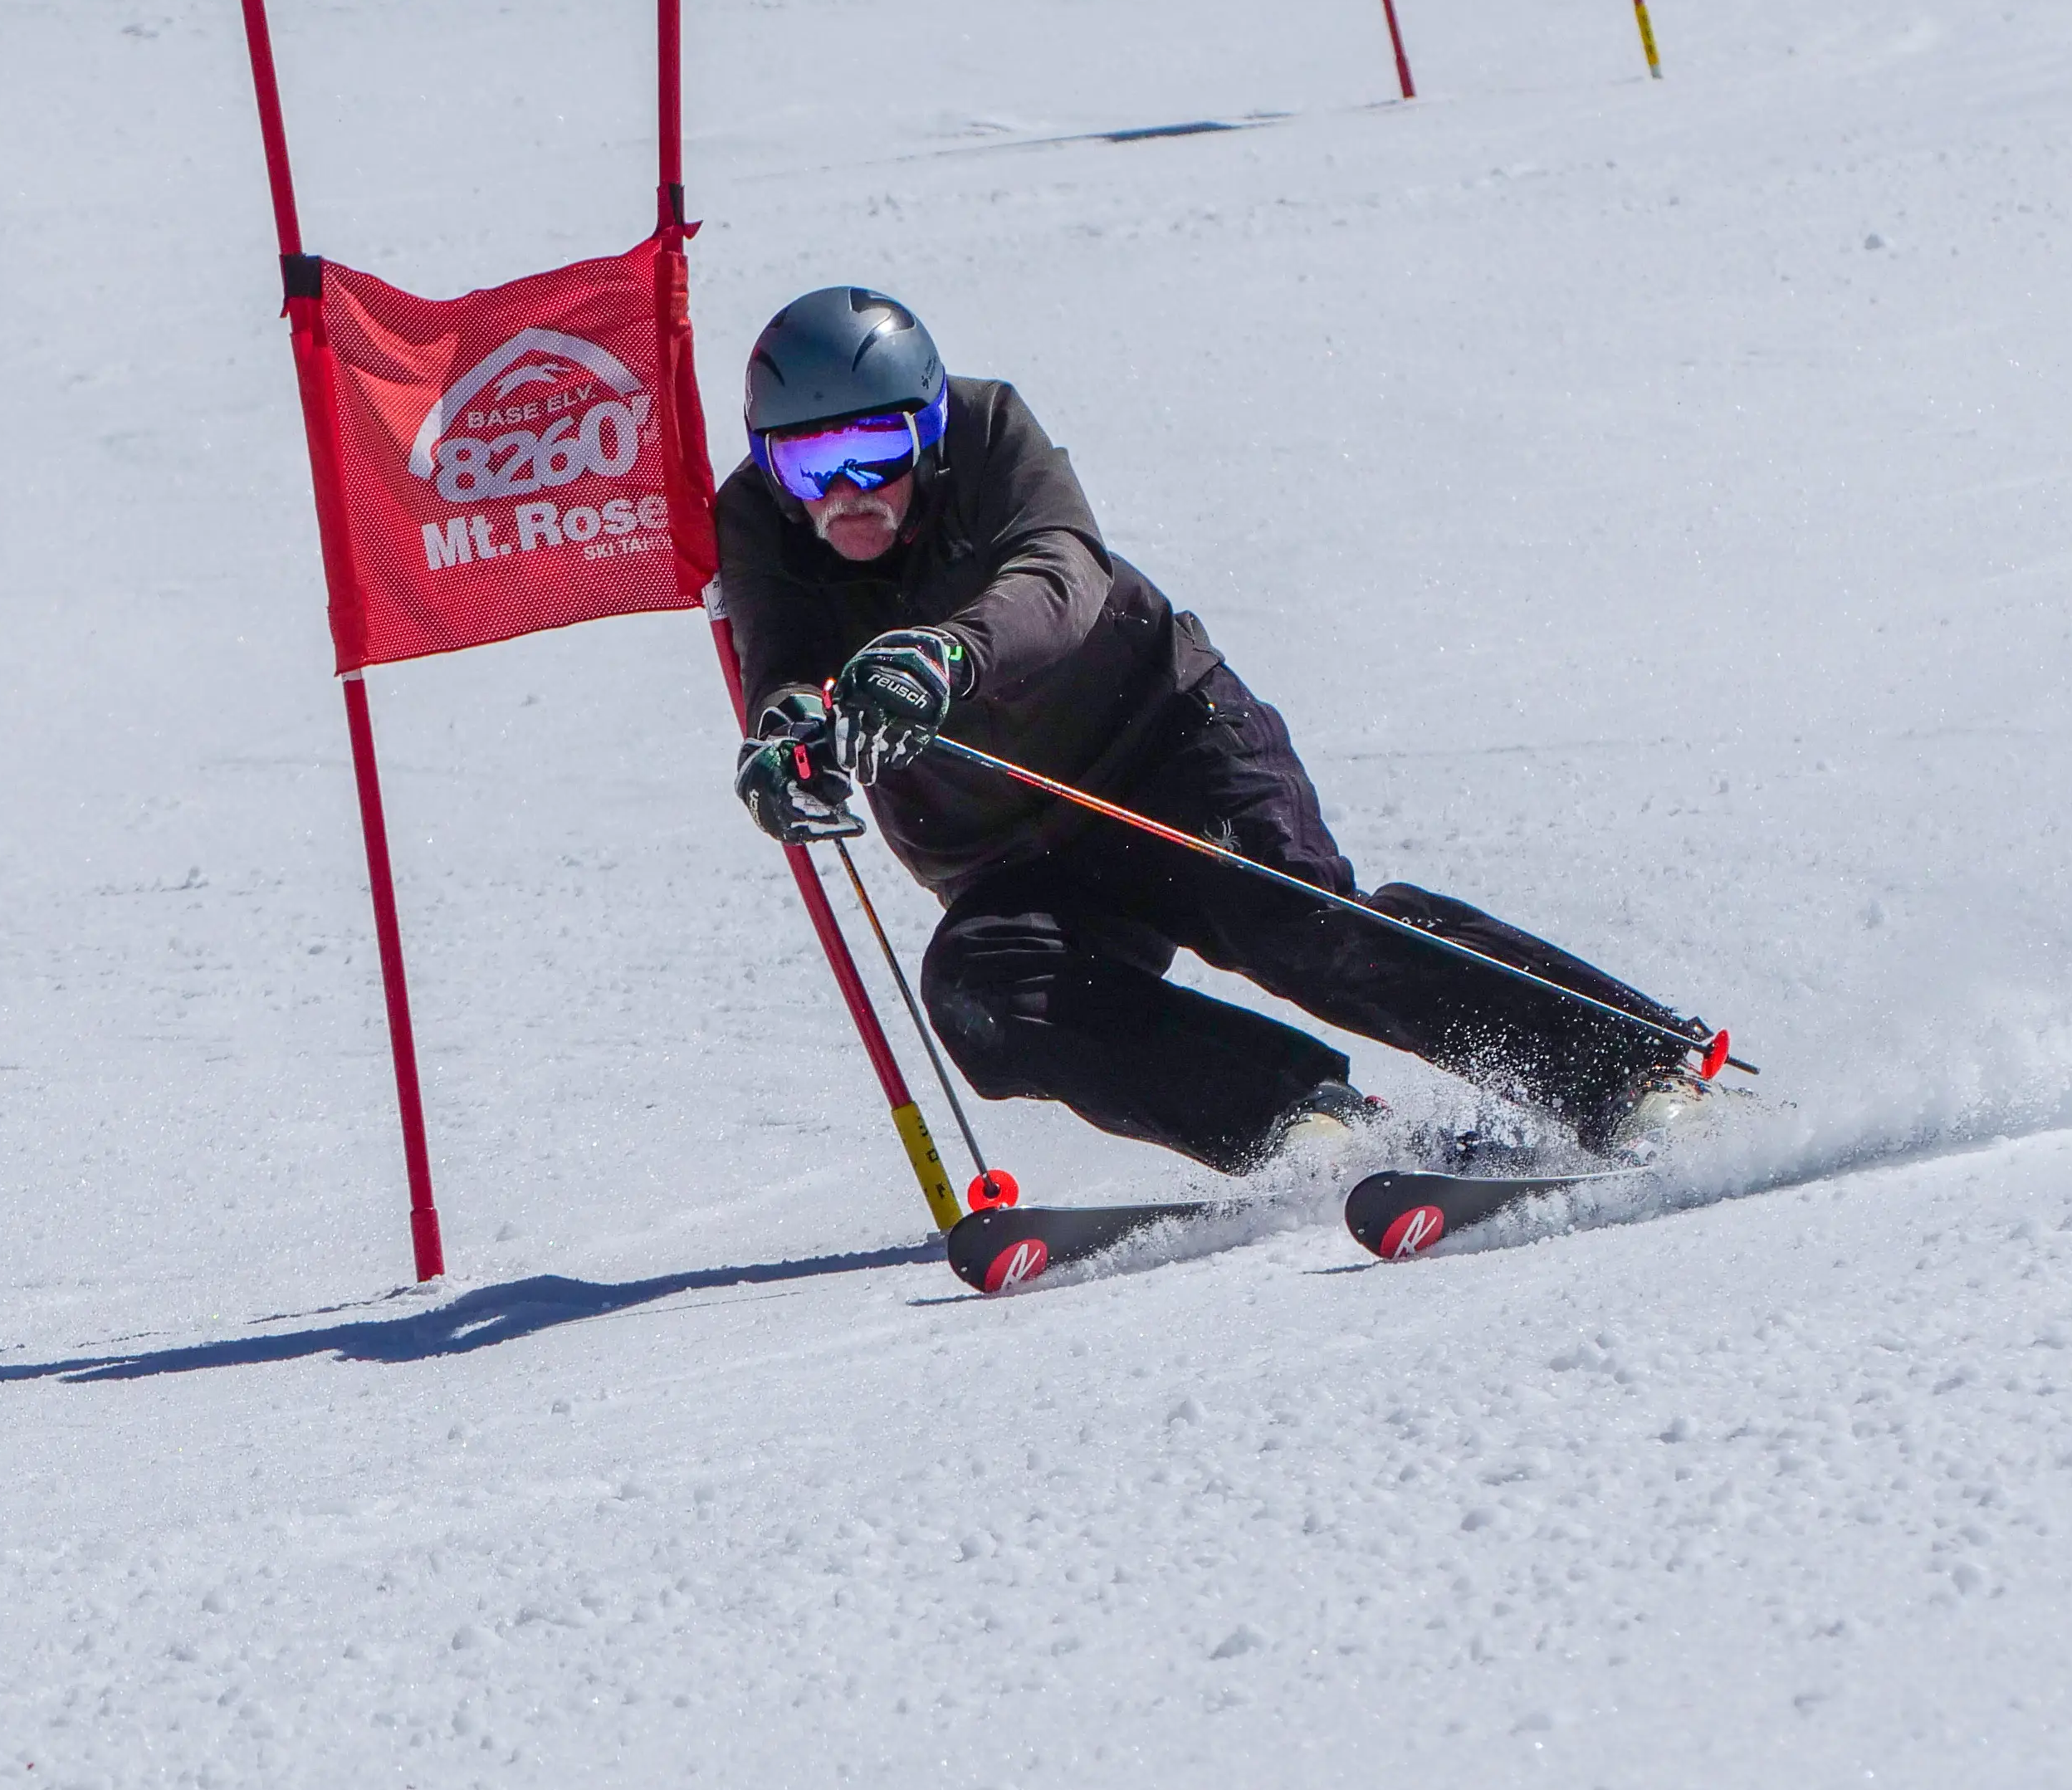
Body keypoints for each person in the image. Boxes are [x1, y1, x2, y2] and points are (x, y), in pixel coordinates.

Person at [716, 284, 1706, 1178]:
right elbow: (783, 661)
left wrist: (946, 656)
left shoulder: (992, 434)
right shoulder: (760, 523)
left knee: (1295, 921)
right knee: (991, 996)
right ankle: (1304, 1124)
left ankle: (1630, 1074)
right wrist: (789, 740)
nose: (844, 492)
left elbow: (1061, 576)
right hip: (998, 846)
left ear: (928, 429)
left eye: (875, 453)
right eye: (807, 463)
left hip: (1161, 748)